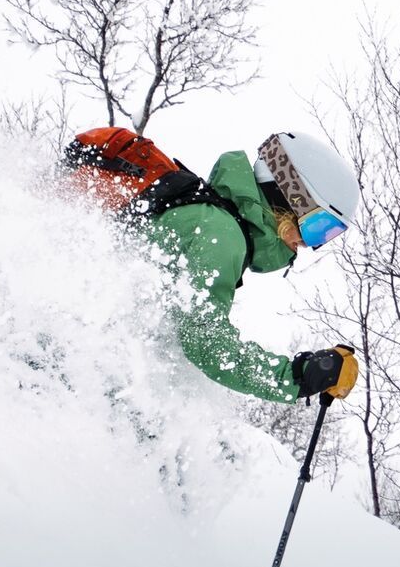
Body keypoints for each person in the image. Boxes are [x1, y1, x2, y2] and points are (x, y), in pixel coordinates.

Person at [144, 132, 360, 404]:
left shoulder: (209, 218)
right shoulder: (222, 235)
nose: (308, 244)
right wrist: (295, 377)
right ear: (285, 197)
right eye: (318, 227)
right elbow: (204, 343)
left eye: (326, 235)